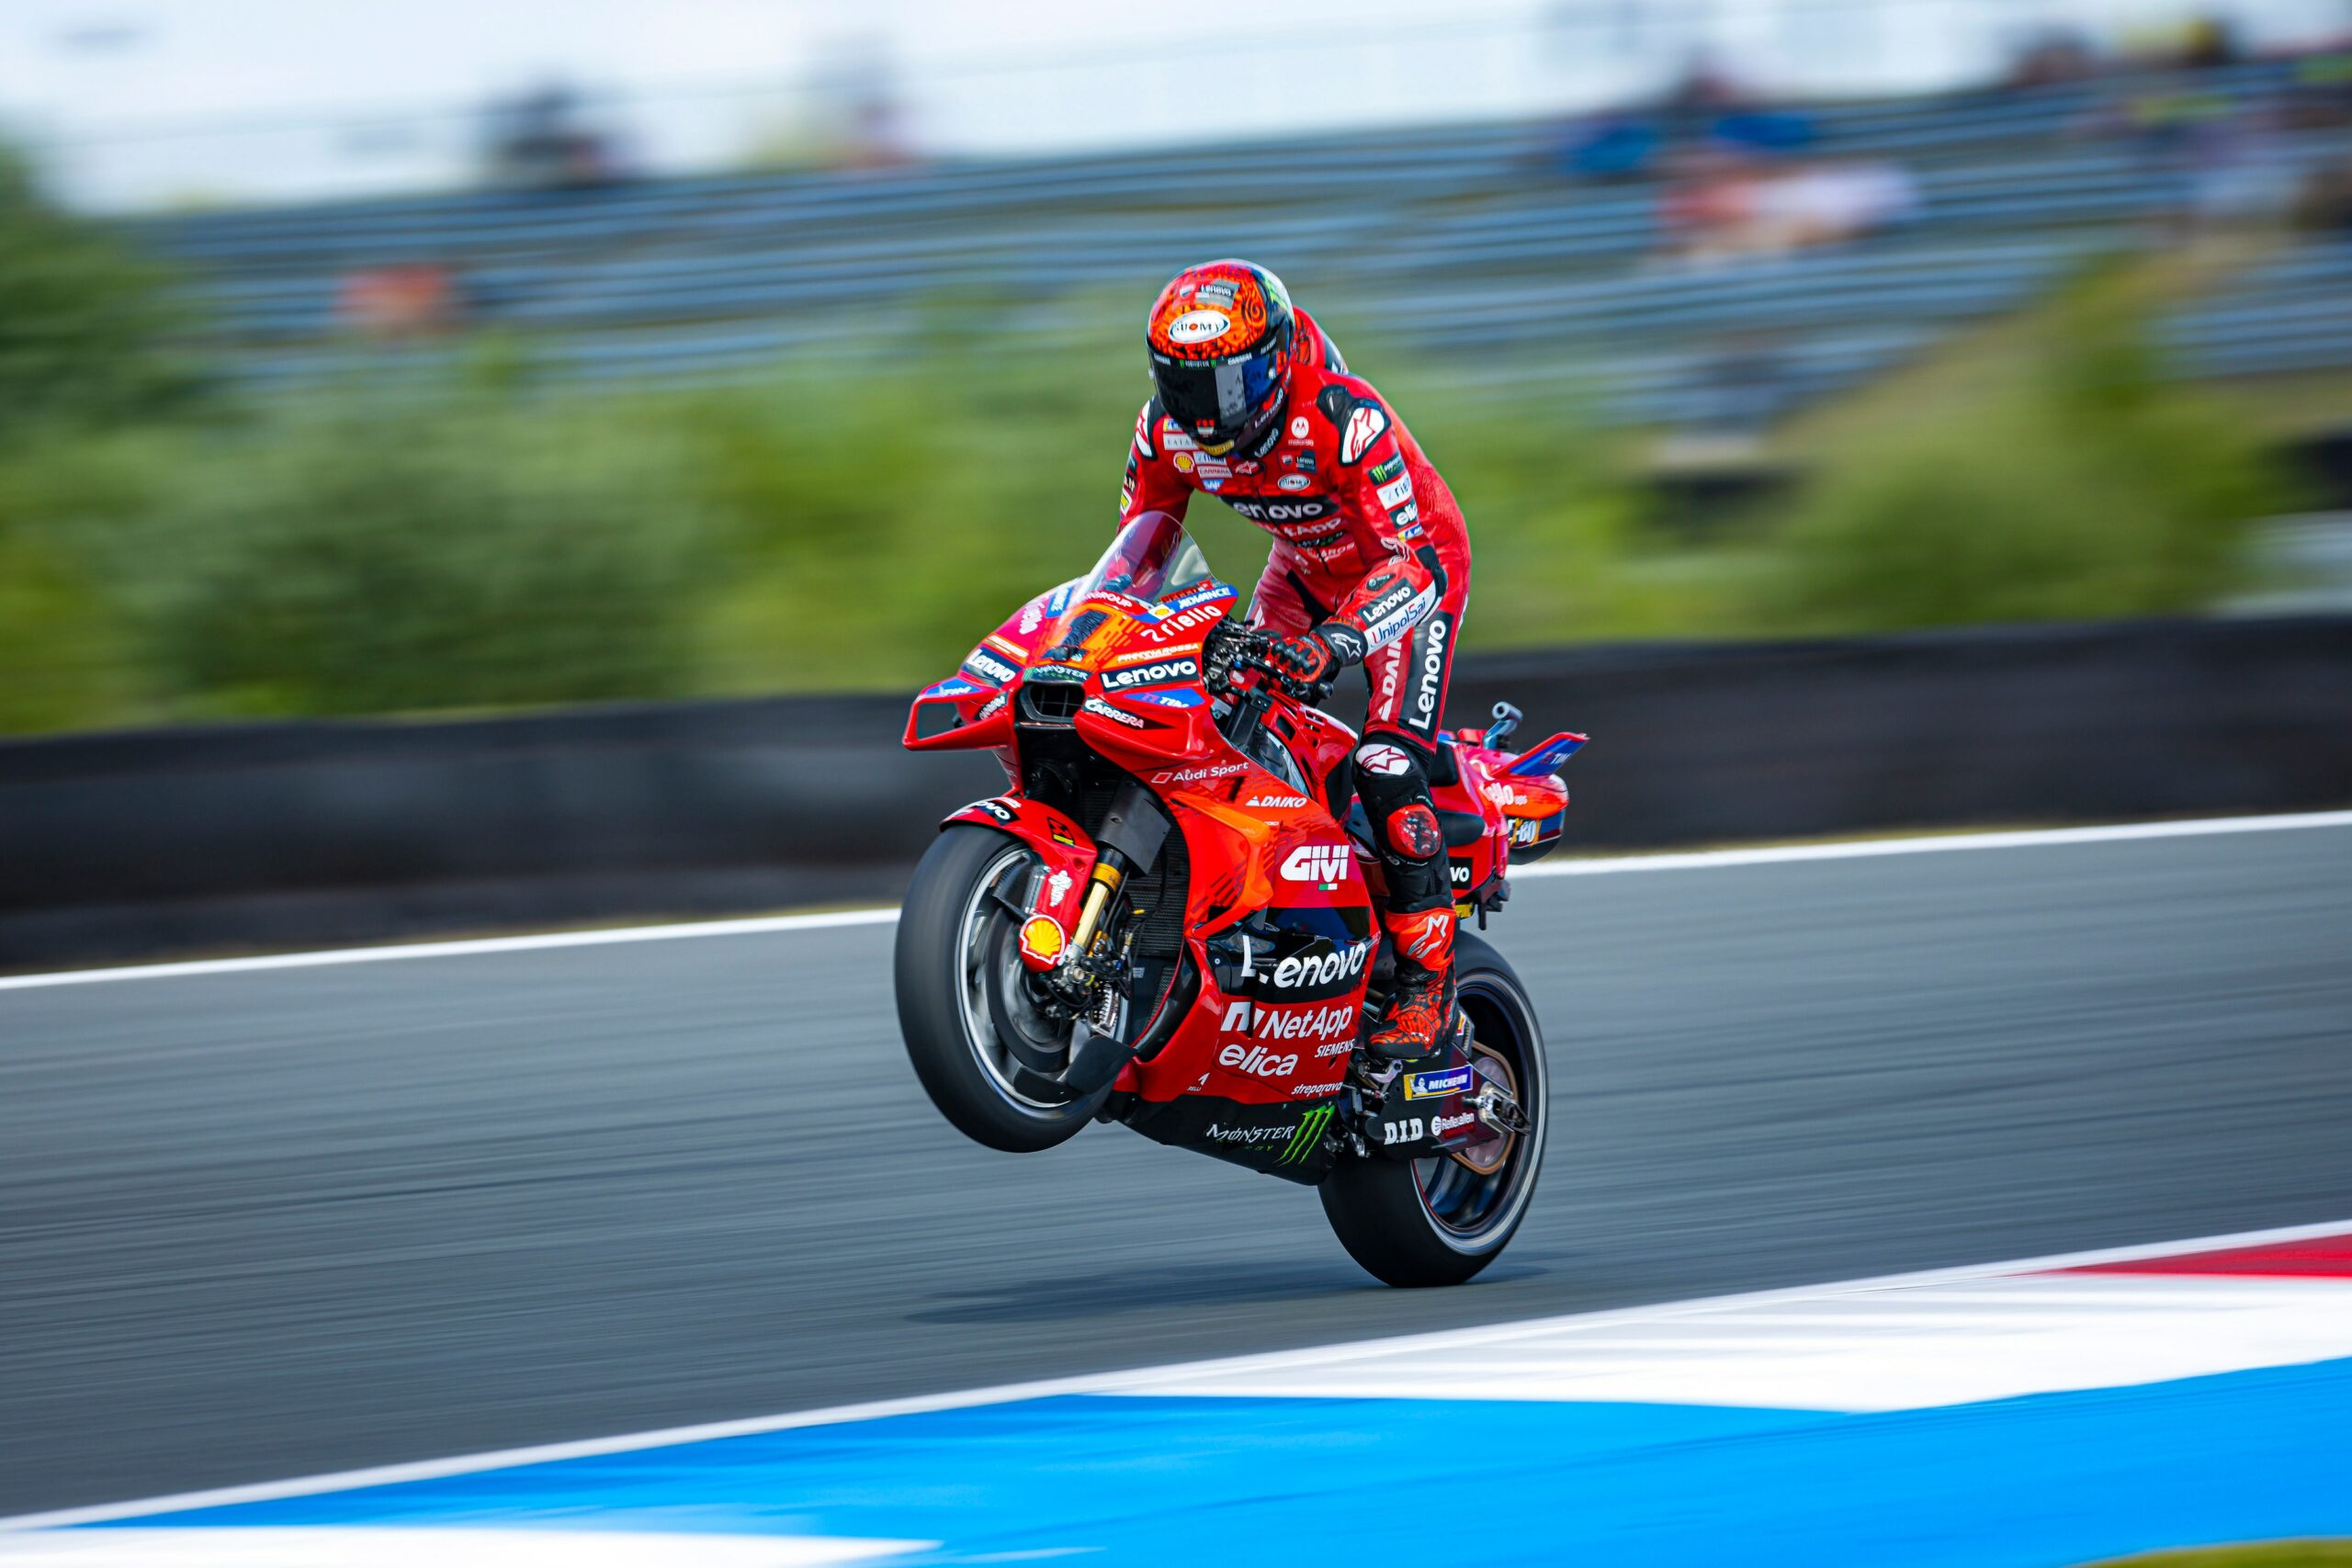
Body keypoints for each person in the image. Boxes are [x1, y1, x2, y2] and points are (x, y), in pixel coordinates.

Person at [1117, 259, 1470, 1060]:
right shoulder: (1163, 432)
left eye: (1229, 384)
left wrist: (1336, 642)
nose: (1208, 412)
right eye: (1185, 385)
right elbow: (1136, 556)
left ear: (1274, 360)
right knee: (1223, 711)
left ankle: (1430, 984)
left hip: (1409, 573)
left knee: (1385, 762)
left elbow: (1414, 563)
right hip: (1305, 568)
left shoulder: (1344, 418)